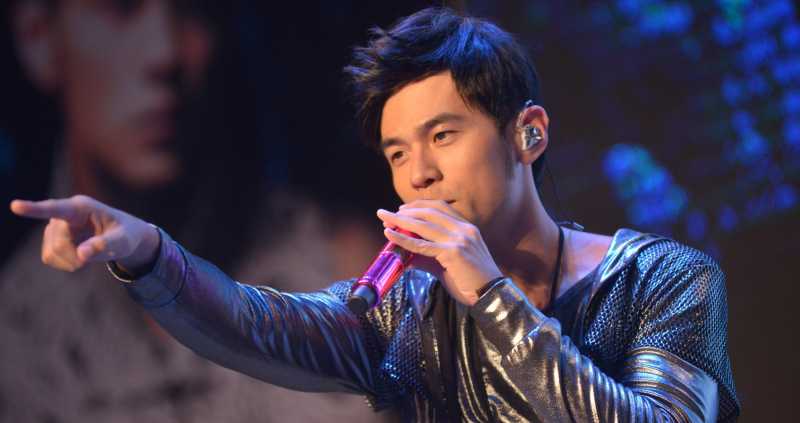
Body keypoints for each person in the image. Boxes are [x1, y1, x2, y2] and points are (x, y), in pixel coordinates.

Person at [10, 7, 739, 422]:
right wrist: (145, 250)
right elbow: (253, 324)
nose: (418, 174)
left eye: (443, 136)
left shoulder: (666, 278)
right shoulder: (407, 311)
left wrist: (491, 296)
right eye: (397, 152)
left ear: (528, 134)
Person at [1, 0, 391, 421]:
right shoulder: (16, 344)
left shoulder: (352, 267)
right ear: (37, 33)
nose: (163, 52)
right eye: (120, 8)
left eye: (196, 9)